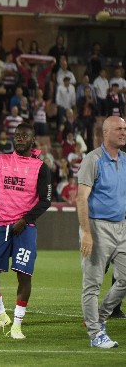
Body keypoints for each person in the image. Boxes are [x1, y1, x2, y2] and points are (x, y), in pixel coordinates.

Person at [0, 123, 52, 340]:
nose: (20, 138)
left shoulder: (41, 168)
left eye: (24, 136)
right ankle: (0, 315)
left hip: (24, 229)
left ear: (33, 139)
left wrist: (26, 220)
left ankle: (17, 324)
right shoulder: (0, 161)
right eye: (17, 135)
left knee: (23, 275)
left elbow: (46, 200)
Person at [78, 116, 126, 348]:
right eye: (118, 128)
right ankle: (96, 334)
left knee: (124, 279)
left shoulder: (125, 160)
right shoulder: (93, 159)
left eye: (125, 128)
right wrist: (86, 233)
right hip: (97, 227)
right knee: (93, 283)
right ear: (106, 132)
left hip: (122, 227)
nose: (123, 132)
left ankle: (100, 316)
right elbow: (81, 198)